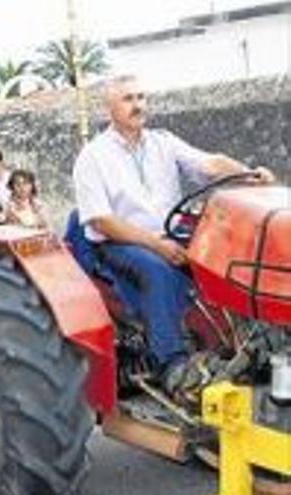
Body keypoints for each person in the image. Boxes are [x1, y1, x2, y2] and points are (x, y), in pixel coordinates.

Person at [71, 75, 275, 397]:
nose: (138, 105)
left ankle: (249, 345)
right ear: (109, 107)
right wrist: (158, 246)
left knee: (229, 252)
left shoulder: (162, 142)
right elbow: (101, 221)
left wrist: (248, 173)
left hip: (170, 231)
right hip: (121, 240)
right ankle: (173, 367)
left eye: (141, 97)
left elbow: (209, 163)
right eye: (128, 99)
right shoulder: (93, 157)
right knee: (157, 269)